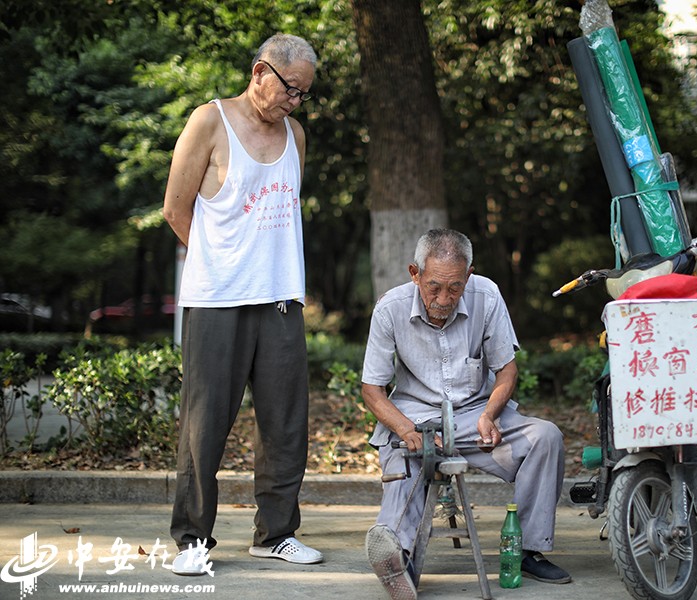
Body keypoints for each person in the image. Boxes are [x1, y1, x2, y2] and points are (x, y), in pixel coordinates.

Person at [161, 33, 322, 575]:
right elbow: (174, 209)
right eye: (289, 89)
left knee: (285, 424)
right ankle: (192, 541)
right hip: (218, 301)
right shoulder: (209, 122)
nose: (293, 102)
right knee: (204, 426)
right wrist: (222, 263)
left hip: (279, 299)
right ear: (260, 72)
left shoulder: (295, 135)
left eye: (302, 94)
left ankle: (276, 533)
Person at [361, 229, 571, 599]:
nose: (443, 298)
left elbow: (506, 371)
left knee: (545, 437)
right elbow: (372, 390)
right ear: (415, 273)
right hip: (415, 416)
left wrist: (491, 413)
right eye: (434, 287)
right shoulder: (390, 308)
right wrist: (406, 429)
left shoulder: (486, 295)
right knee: (405, 456)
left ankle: (527, 550)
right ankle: (398, 555)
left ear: (469, 275)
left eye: (454, 288)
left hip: (475, 414)